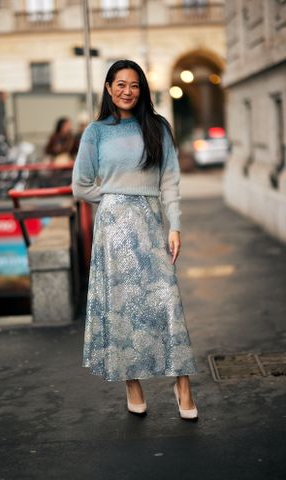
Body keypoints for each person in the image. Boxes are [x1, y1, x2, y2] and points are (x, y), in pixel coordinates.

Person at [72, 59, 198, 421]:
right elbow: (80, 186)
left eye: (134, 85)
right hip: (113, 228)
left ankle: (183, 383)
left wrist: (174, 226)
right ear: (109, 88)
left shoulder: (157, 127)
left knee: (166, 301)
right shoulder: (95, 132)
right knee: (122, 306)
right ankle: (133, 385)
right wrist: (113, 198)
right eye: (120, 84)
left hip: (148, 223)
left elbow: (170, 181)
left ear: (141, 90)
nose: (127, 91)